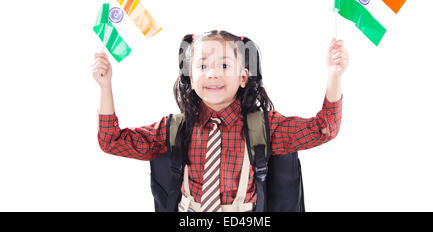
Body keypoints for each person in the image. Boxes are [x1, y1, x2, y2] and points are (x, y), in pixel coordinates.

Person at [92, 30, 349, 212]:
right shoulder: (175, 128)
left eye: (225, 65)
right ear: (191, 79)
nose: (213, 73)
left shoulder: (265, 128)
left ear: (243, 77)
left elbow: (324, 128)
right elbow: (111, 141)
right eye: (203, 66)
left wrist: (334, 75)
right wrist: (105, 86)